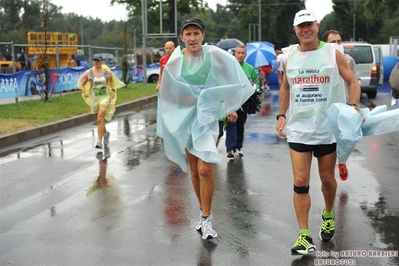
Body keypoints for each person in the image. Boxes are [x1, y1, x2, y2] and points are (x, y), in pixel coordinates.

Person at [156, 18, 254, 240]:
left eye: (196, 33)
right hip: (187, 119)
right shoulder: (176, 59)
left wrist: (230, 106)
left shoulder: (214, 55)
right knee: (193, 169)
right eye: (188, 34)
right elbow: (168, 92)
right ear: (182, 37)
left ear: (202, 35)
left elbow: (229, 78)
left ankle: (207, 219)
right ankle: (203, 214)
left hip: (210, 118)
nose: (192, 38)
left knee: (204, 169)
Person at [275, 10, 361, 255]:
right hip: (299, 128)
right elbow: (285, 87)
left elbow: (353, 82)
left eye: (309, 24)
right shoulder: (289, 55)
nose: (305, 29)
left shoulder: (333, 53)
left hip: (327, 128)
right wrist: (282, 115)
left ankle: (328, 213)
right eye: (301, 26)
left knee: (326, 180)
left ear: (317, 25)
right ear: (295, 30)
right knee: (300, 183)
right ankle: (303, 236)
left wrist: (353, 107)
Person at [322, 29, 357, 181]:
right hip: (325, 104)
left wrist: (353, 104)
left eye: (339, 41)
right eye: (332, 42)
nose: (336, 44)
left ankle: (342, 162)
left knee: (344, 137)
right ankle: (328, 171)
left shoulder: (348, 60)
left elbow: (353, 83)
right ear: (325, 44)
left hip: (342, 104)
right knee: (328, 139)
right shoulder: (320, 59)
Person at [78, 56, 125, 149]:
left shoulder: (108, 73)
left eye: (98, 61)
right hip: (94, 98)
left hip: (105, 97)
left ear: (102, 62)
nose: (96, 62)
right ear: (93, 62)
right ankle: (106, 133)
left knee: (100, 118)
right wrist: (84, 92)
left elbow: (112, 84)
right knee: (99, 120)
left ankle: (99, 141)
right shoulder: (89, 73)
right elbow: (81, 84)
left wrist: (112, 91)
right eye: (95, 61)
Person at [225, 44, 259, 158]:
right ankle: (230, 148)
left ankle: (238, 147)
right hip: (231, 100)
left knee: (240, 124)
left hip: (244, 101)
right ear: (235, 54)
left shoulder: (249, 68)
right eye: (238, 53)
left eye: (242, 53)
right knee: (231, 123)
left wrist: (253, 90)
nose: (240, 55)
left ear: (245, 54)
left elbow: (255, 82)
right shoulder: (230, 67)